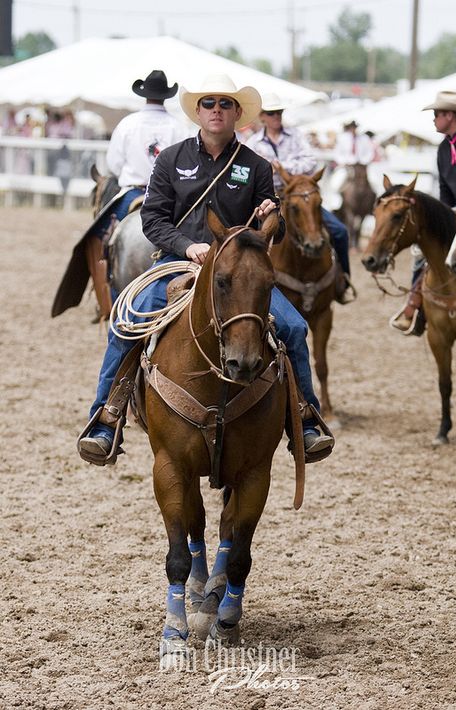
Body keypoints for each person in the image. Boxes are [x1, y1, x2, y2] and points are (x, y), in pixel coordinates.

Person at [78, 74, 334, 466]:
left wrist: (273, 213)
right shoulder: (171, 159)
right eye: (210, 104)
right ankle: (106, 418)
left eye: (225, 104)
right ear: (198, 112)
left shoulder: (255, 166)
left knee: (294, 327)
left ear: (237, 114)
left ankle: (306, 418)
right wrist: (187, 245)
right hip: (177, 263)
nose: (217, 110)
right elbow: (153, 219)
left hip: (240, 271)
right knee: (124, 323)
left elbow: (277, 231)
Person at [52, 70, 189, 321]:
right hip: (170, 197)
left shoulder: (128, 124)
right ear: (165, 96)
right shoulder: (178, 127)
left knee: (99, 237)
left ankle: (106, 301)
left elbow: (114, 165)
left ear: (145, 95)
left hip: (133, 193)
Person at [246, 93, 352, 303]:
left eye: (279, 112)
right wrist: (277, 170)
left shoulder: (295, 135)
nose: (277, 116)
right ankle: (248, 284)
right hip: (268, 198)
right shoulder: (253, 142)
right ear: (262, 117)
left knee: (339, 231)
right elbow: (254, 169)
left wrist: (282, 168)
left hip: (298, 195)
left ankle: (343, 280)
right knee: (248, 237)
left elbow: (311, 161)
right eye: (271, 113)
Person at [391, 90, 456, 334]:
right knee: (424, 249)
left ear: (450, 115)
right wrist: (448, 214)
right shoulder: (442, 149)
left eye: (437, 114)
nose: (434, 119)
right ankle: (417, 307)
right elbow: (445, 190)